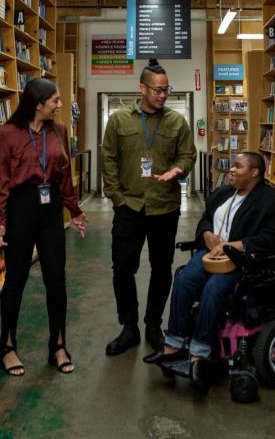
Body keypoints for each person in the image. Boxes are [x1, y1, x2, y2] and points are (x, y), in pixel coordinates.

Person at [144, 152, 275, 381]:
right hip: (211, 253)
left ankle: (199, 353)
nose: (231, 170)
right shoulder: (222, 193)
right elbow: (205, 218)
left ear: (254, 172)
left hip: (242, 261)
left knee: (214, 287)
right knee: (183, 279)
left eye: (238, 166)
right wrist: (207, 234)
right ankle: (174, 345)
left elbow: (273, 238)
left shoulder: (272, 201)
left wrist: (236, 245)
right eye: (232, 166)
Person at [101, 59, 197, 356]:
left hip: (164, 207)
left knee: (162, 269)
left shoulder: (176, 122)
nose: (163, 95)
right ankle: (129, 326)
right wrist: (117, 198)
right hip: (129, 206)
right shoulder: (119, 120)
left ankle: (153, 324)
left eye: (166, 89)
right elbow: (109, 160)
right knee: (122, 269)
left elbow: (188, 155)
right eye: (157, 89)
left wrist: (177, 171)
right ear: (142, 88)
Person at [0, 79, 87, 376]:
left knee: (56, 279)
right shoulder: (8, 134)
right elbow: (1, 180)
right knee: (15, 279)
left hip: (51, 210)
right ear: (38, 103)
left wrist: (74, 210)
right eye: (55, 101)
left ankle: (58, 345)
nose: (60, 105)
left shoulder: (58, 130)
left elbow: (65, 176)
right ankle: (8, 347)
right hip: (21, 208)